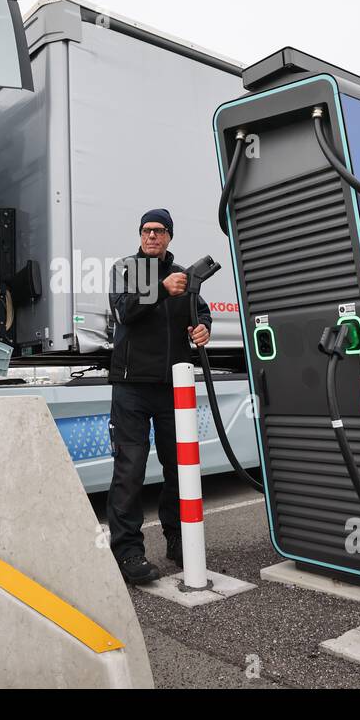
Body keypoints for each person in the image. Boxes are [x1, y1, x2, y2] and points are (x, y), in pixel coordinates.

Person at [106, 208, 211, 585]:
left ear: (169, 237)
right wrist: (160, 290)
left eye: (160, 231)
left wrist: (203, 330)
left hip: (173, 387)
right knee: (130, 471)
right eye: (146, 230)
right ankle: (129, 552)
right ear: (140, 235)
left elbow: (201, 314)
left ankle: (178, 539)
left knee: (178, 469)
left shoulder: (184, 275)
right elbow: (123, 312)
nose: (152, 236)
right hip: (131, 388)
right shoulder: (125, 269)